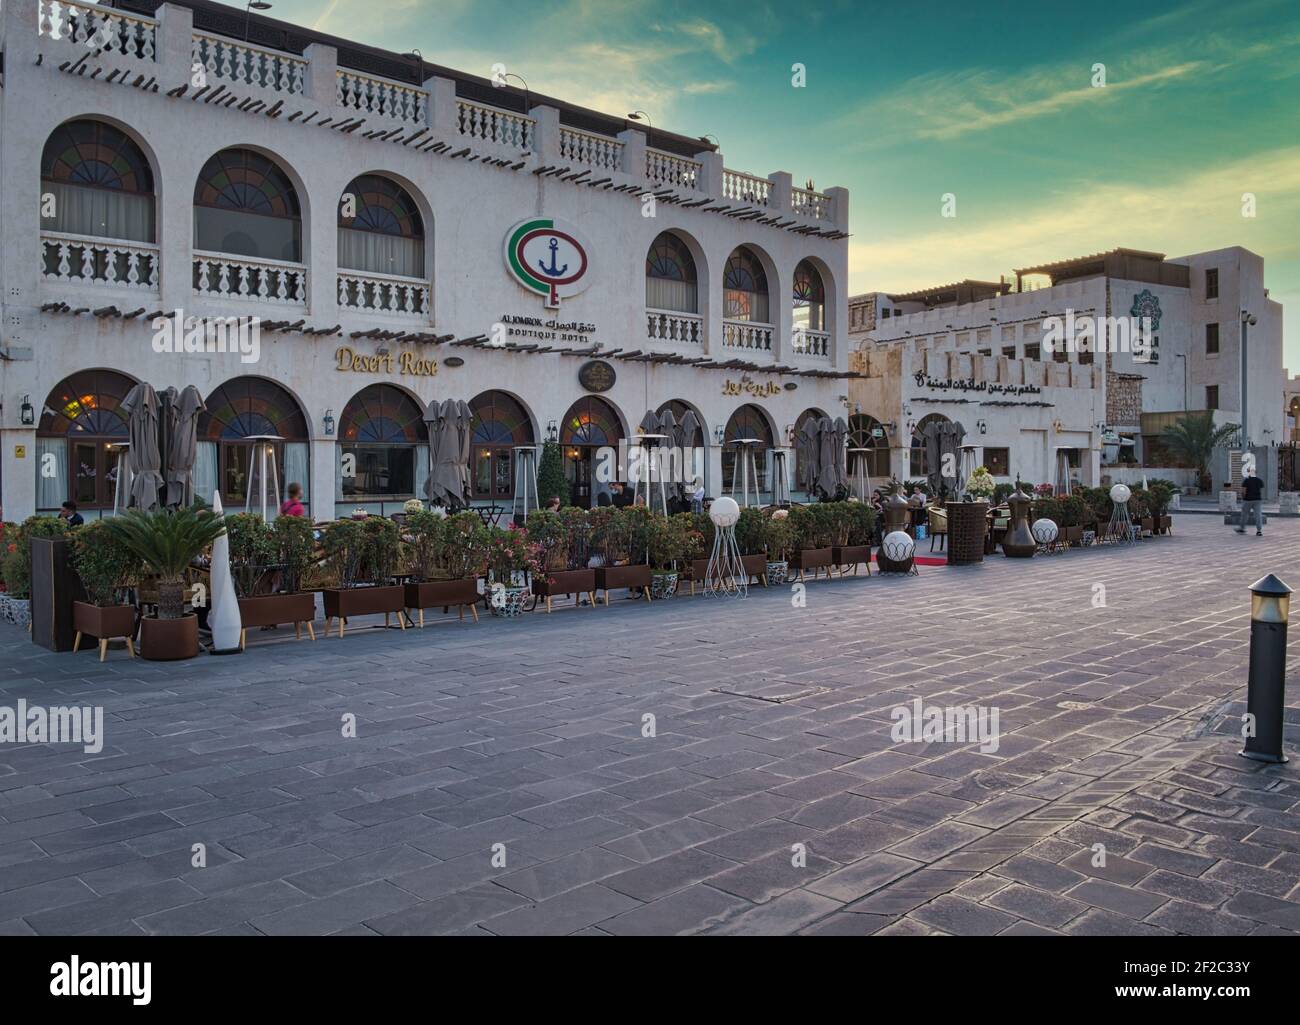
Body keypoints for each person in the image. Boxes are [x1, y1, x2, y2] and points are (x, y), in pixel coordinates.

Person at [1237, 469, 1265, 536]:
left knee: (1244, 515)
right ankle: (1259, 531)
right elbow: (1261, 490)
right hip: (1257, 500)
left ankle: (1242, 528)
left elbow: (1243, 491)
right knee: (1258, 515)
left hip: (1247, 500)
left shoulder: (1246, 480)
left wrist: (1243, 498)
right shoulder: (1259, 480)